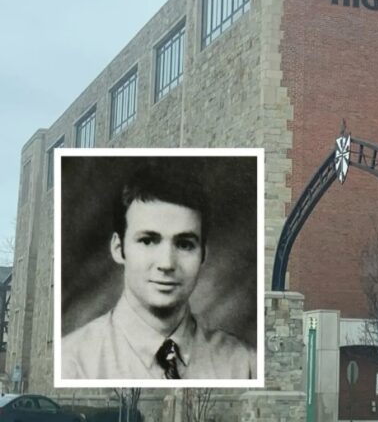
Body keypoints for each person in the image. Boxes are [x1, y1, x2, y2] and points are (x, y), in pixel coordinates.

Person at [61, 163, 256, 380]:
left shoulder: (244, 364)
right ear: (119, 249)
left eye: (184, 244)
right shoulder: (72, 363)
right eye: (147, 241)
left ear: (203, 254)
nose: (166, 263)